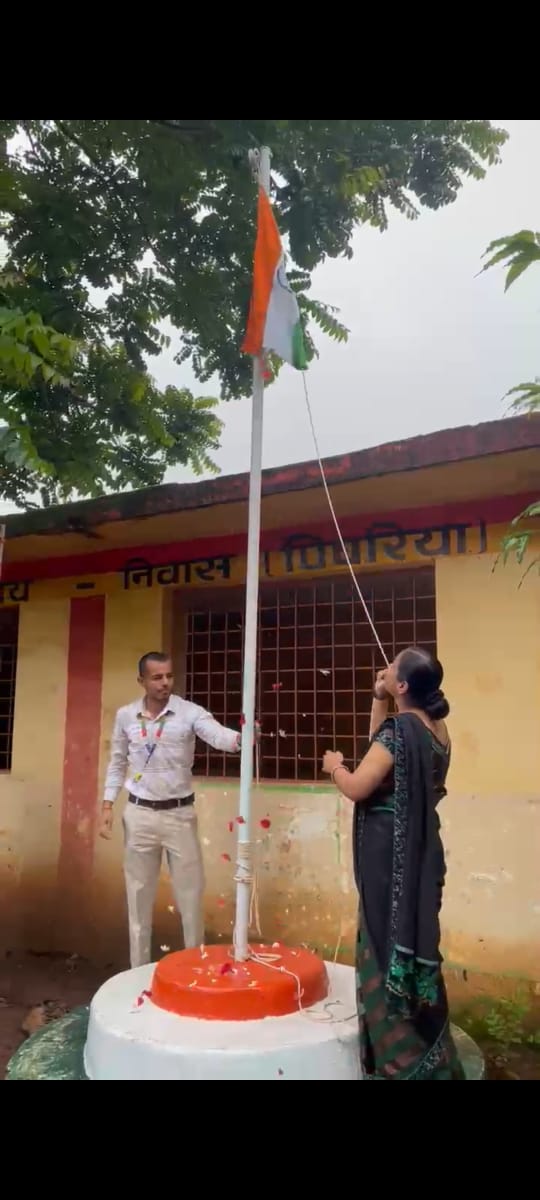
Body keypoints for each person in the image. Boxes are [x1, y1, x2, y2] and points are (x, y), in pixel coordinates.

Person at [322, 645, 464, 1081]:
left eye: (391, 669)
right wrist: (377, 696)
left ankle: (402, 1061)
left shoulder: (399, 732)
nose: (383, 669)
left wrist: (334, 768)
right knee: (413, 941)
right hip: (422, 852)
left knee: (386, 943)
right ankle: (428, 1048)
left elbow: (361, 784)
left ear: (403, 685)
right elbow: (380, 746)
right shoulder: (436, 729)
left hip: (390, 857)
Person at [100, 651, 242, 967]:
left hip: (179, 815)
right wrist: (108, 804)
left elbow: (218, 736)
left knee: (190, 898)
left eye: (168, 676)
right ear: (142, 681)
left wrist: (243, 739)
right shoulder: (126, 716)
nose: (165, 682)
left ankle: (195, 968)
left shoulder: (190, 713)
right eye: (157, 677)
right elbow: (117, 762)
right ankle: (137, 973)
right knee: (138, 899)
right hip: (138, 815)